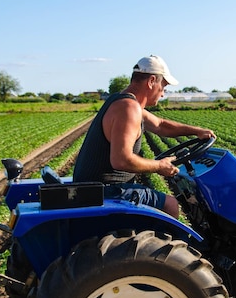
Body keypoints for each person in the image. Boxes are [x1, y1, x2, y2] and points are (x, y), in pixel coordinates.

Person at [72, 55, 215, 219]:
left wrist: (197, 131)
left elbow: (160, 125)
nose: (163, 93)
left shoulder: (122, 101)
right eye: (164, 86)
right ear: (152, 81)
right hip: (106, 191)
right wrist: (159, 165)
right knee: (170, 204)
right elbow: (121, 160)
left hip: (94, 189)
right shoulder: (128, 108)